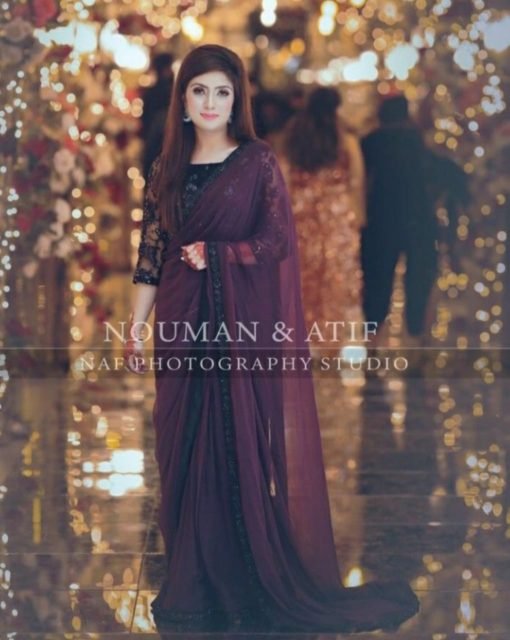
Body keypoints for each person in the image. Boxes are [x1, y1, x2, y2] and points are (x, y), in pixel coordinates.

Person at [127, 44, 419, 633]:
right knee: (178, 443)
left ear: (237, 100)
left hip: (236, 326)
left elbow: (276, 241)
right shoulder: (166, 169)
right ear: (183, 100)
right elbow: (150, 256)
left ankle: (234, 574)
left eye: (223, 92)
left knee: (230, 438)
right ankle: (192, 573)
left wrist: (220, 253)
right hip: (180, 323)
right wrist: (135, 327)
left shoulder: (256, 161)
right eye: (200, 91)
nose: (211, 103)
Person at [282, 87, 366, 355]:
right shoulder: (345, 140)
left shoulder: (293, 138)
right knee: (333, 283)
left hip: (301, 218)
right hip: (336, 220)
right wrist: (358, 218)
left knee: (302, 280)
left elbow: (282, 178)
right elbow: (356, 180)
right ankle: (329, 344)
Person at [360, 95, 438, 351]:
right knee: (417, 282)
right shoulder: (419, 142)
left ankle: (373, 341)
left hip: (380, 221)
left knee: (377, 283)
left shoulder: (370, 142)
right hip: (418, 220)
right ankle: (415, 337)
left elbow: (360, 181)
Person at [140, 52, 175, 180]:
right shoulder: (172, 92)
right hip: (161, 142)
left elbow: (144, 122)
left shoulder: (150, 92)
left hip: (156, 144)